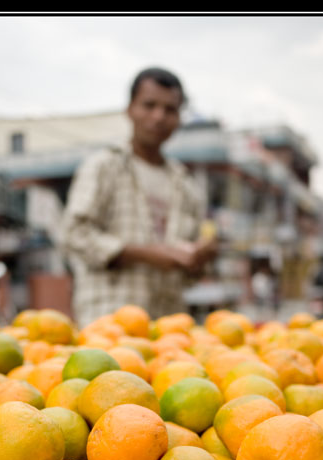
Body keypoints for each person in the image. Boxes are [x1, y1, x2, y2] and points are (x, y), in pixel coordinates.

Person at [59, 67, 216, 329]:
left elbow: (190, 273)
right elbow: (74, 234)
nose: (158, 117)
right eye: (149, 105)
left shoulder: (187, 185)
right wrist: (147, 254)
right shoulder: (103, 166)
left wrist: (199, 257)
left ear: (179, 118)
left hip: (168, 328)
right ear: (130, 109)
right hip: (109, 322)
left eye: (170, 110)